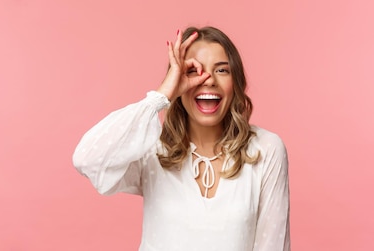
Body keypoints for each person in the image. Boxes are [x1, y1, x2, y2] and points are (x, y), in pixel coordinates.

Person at [72, 26, 290, 251]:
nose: (208, 80)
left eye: (222, 70)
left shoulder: (266, 149)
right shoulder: (152, 149)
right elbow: (87, 159)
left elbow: (272, 244)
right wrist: (161, 96)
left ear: (236, 83)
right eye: (194, 71)